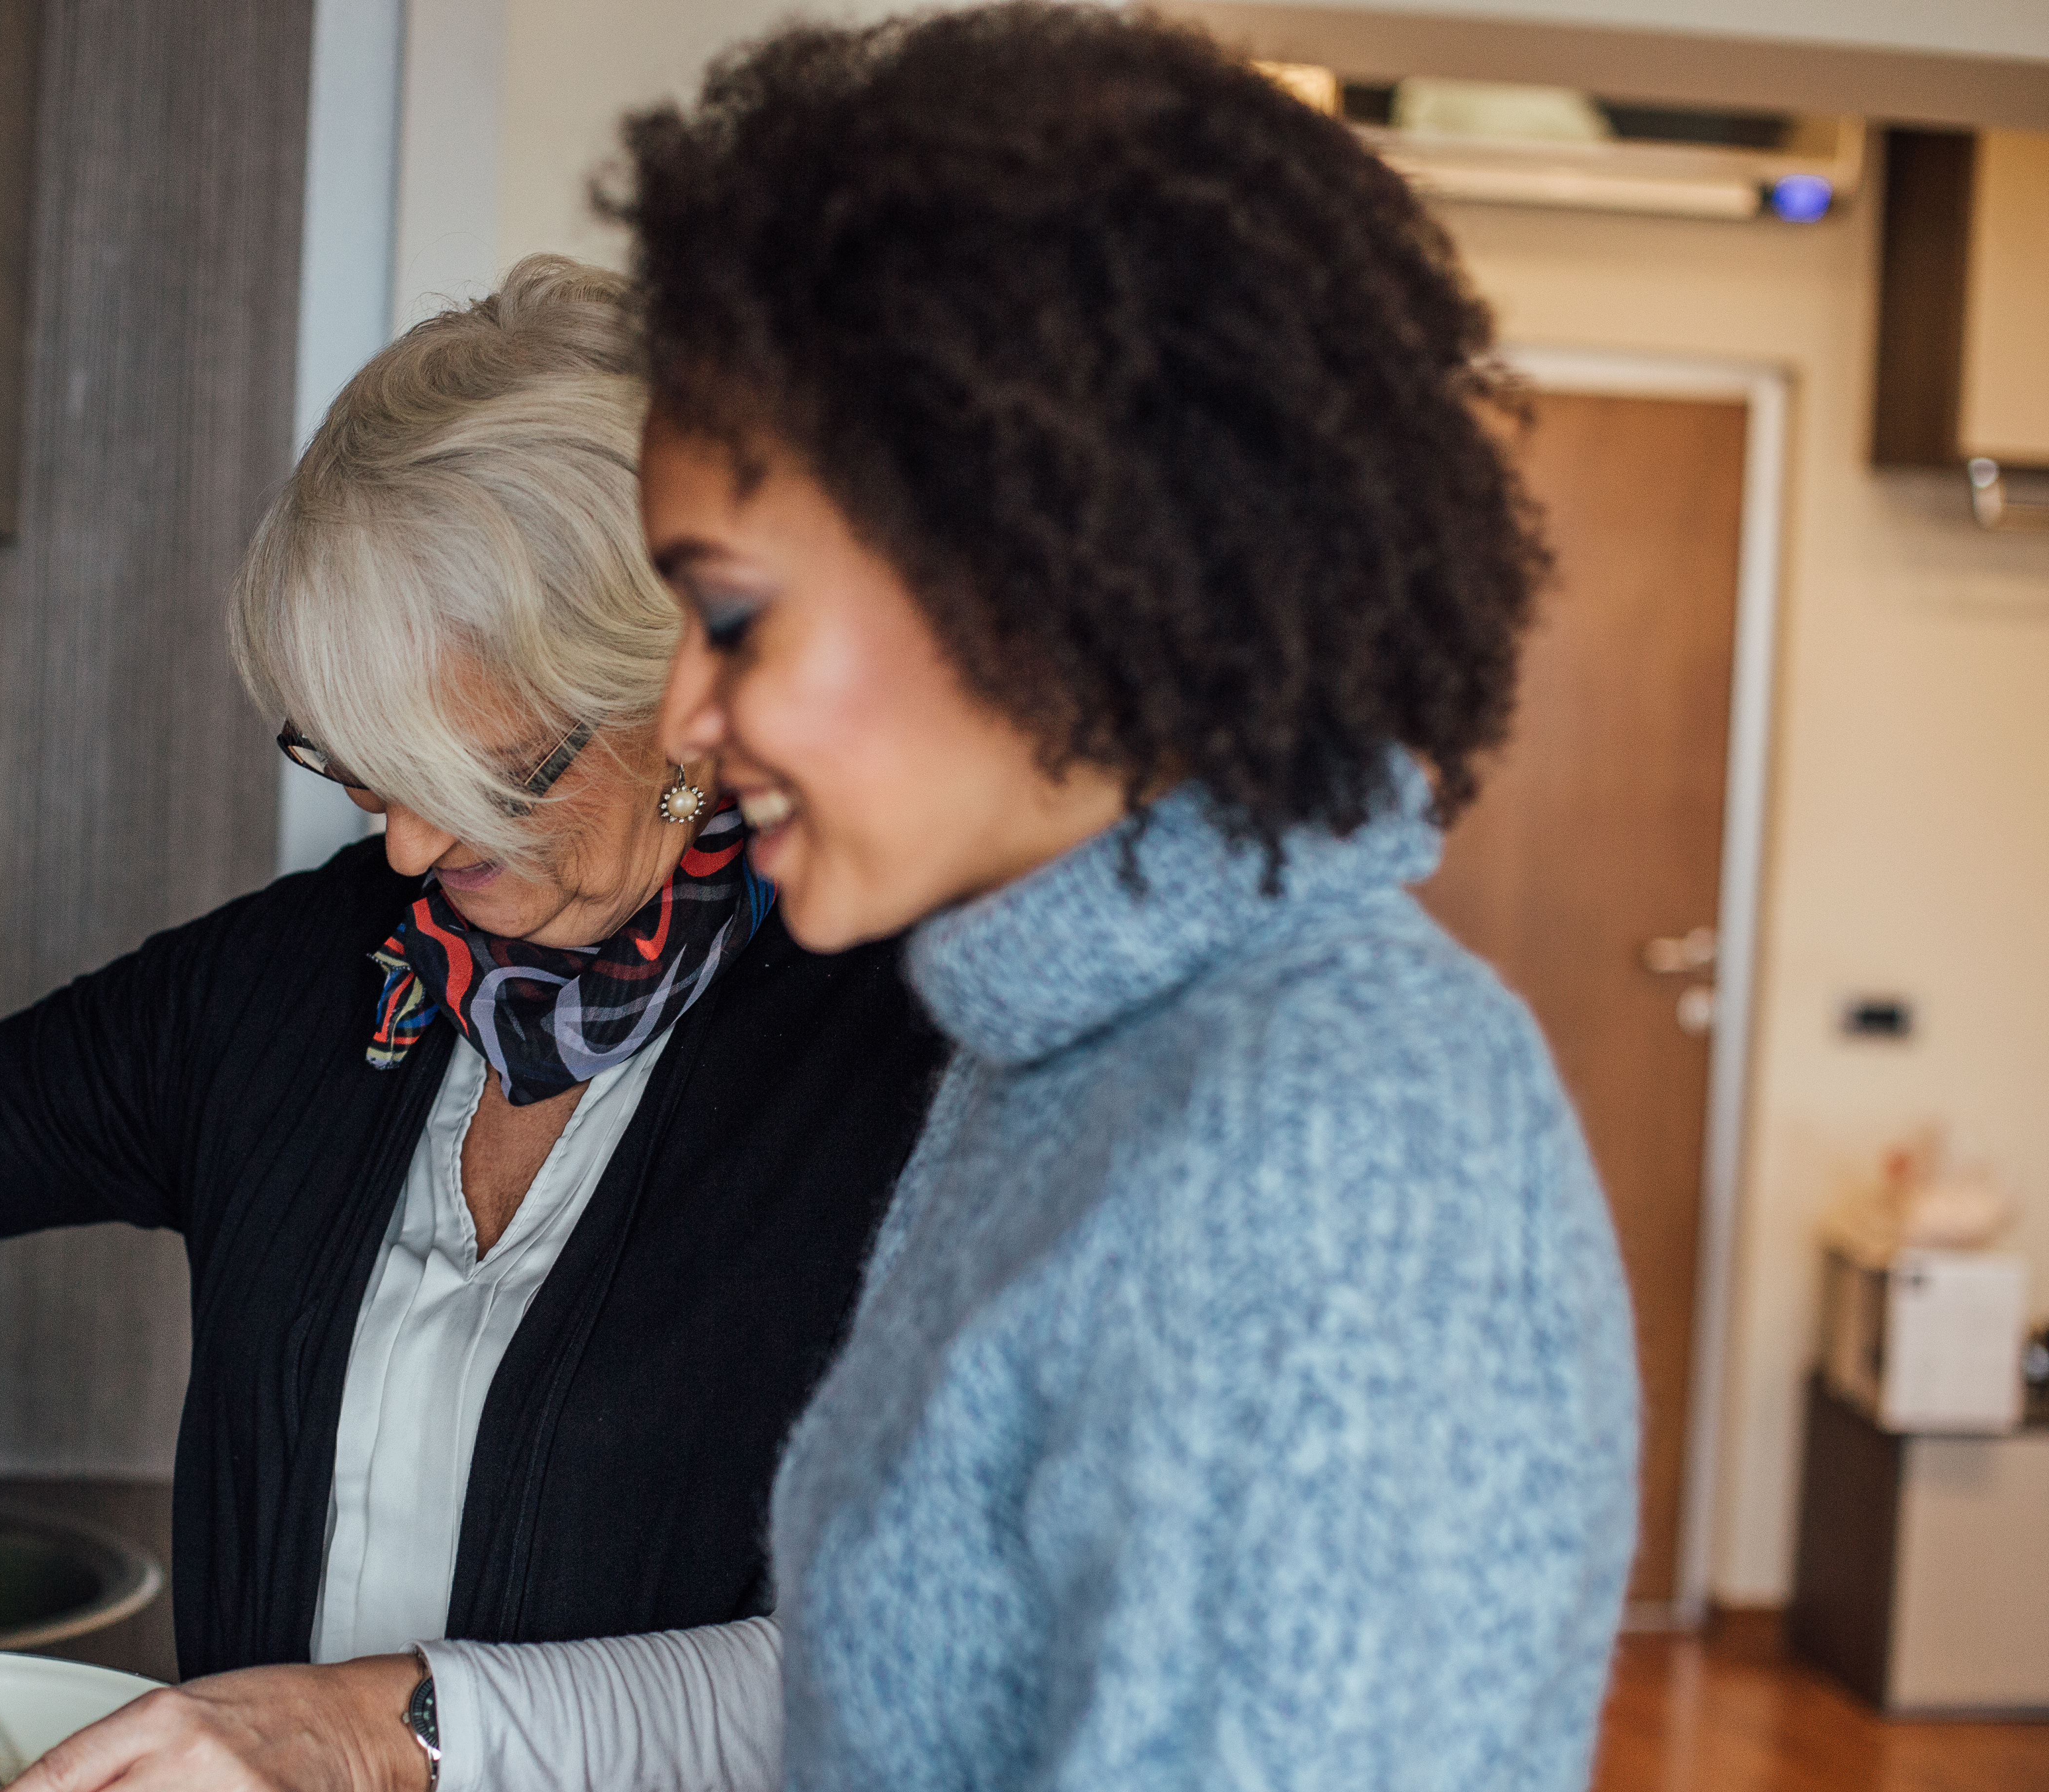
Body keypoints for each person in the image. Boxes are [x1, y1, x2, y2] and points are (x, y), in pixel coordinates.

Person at [0, 255, 944, 1792]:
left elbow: (921, 1664)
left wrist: (377, 1732)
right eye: (367, 776)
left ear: (683, 695)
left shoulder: (913, 1054)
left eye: (487, 783)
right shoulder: (303, 974)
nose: (416, 857)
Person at [618, 8, 1641, 1789]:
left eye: (730, 620)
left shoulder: (1333, 1128)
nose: (685, 723)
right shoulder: (1059, 1051)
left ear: (1014, 561)